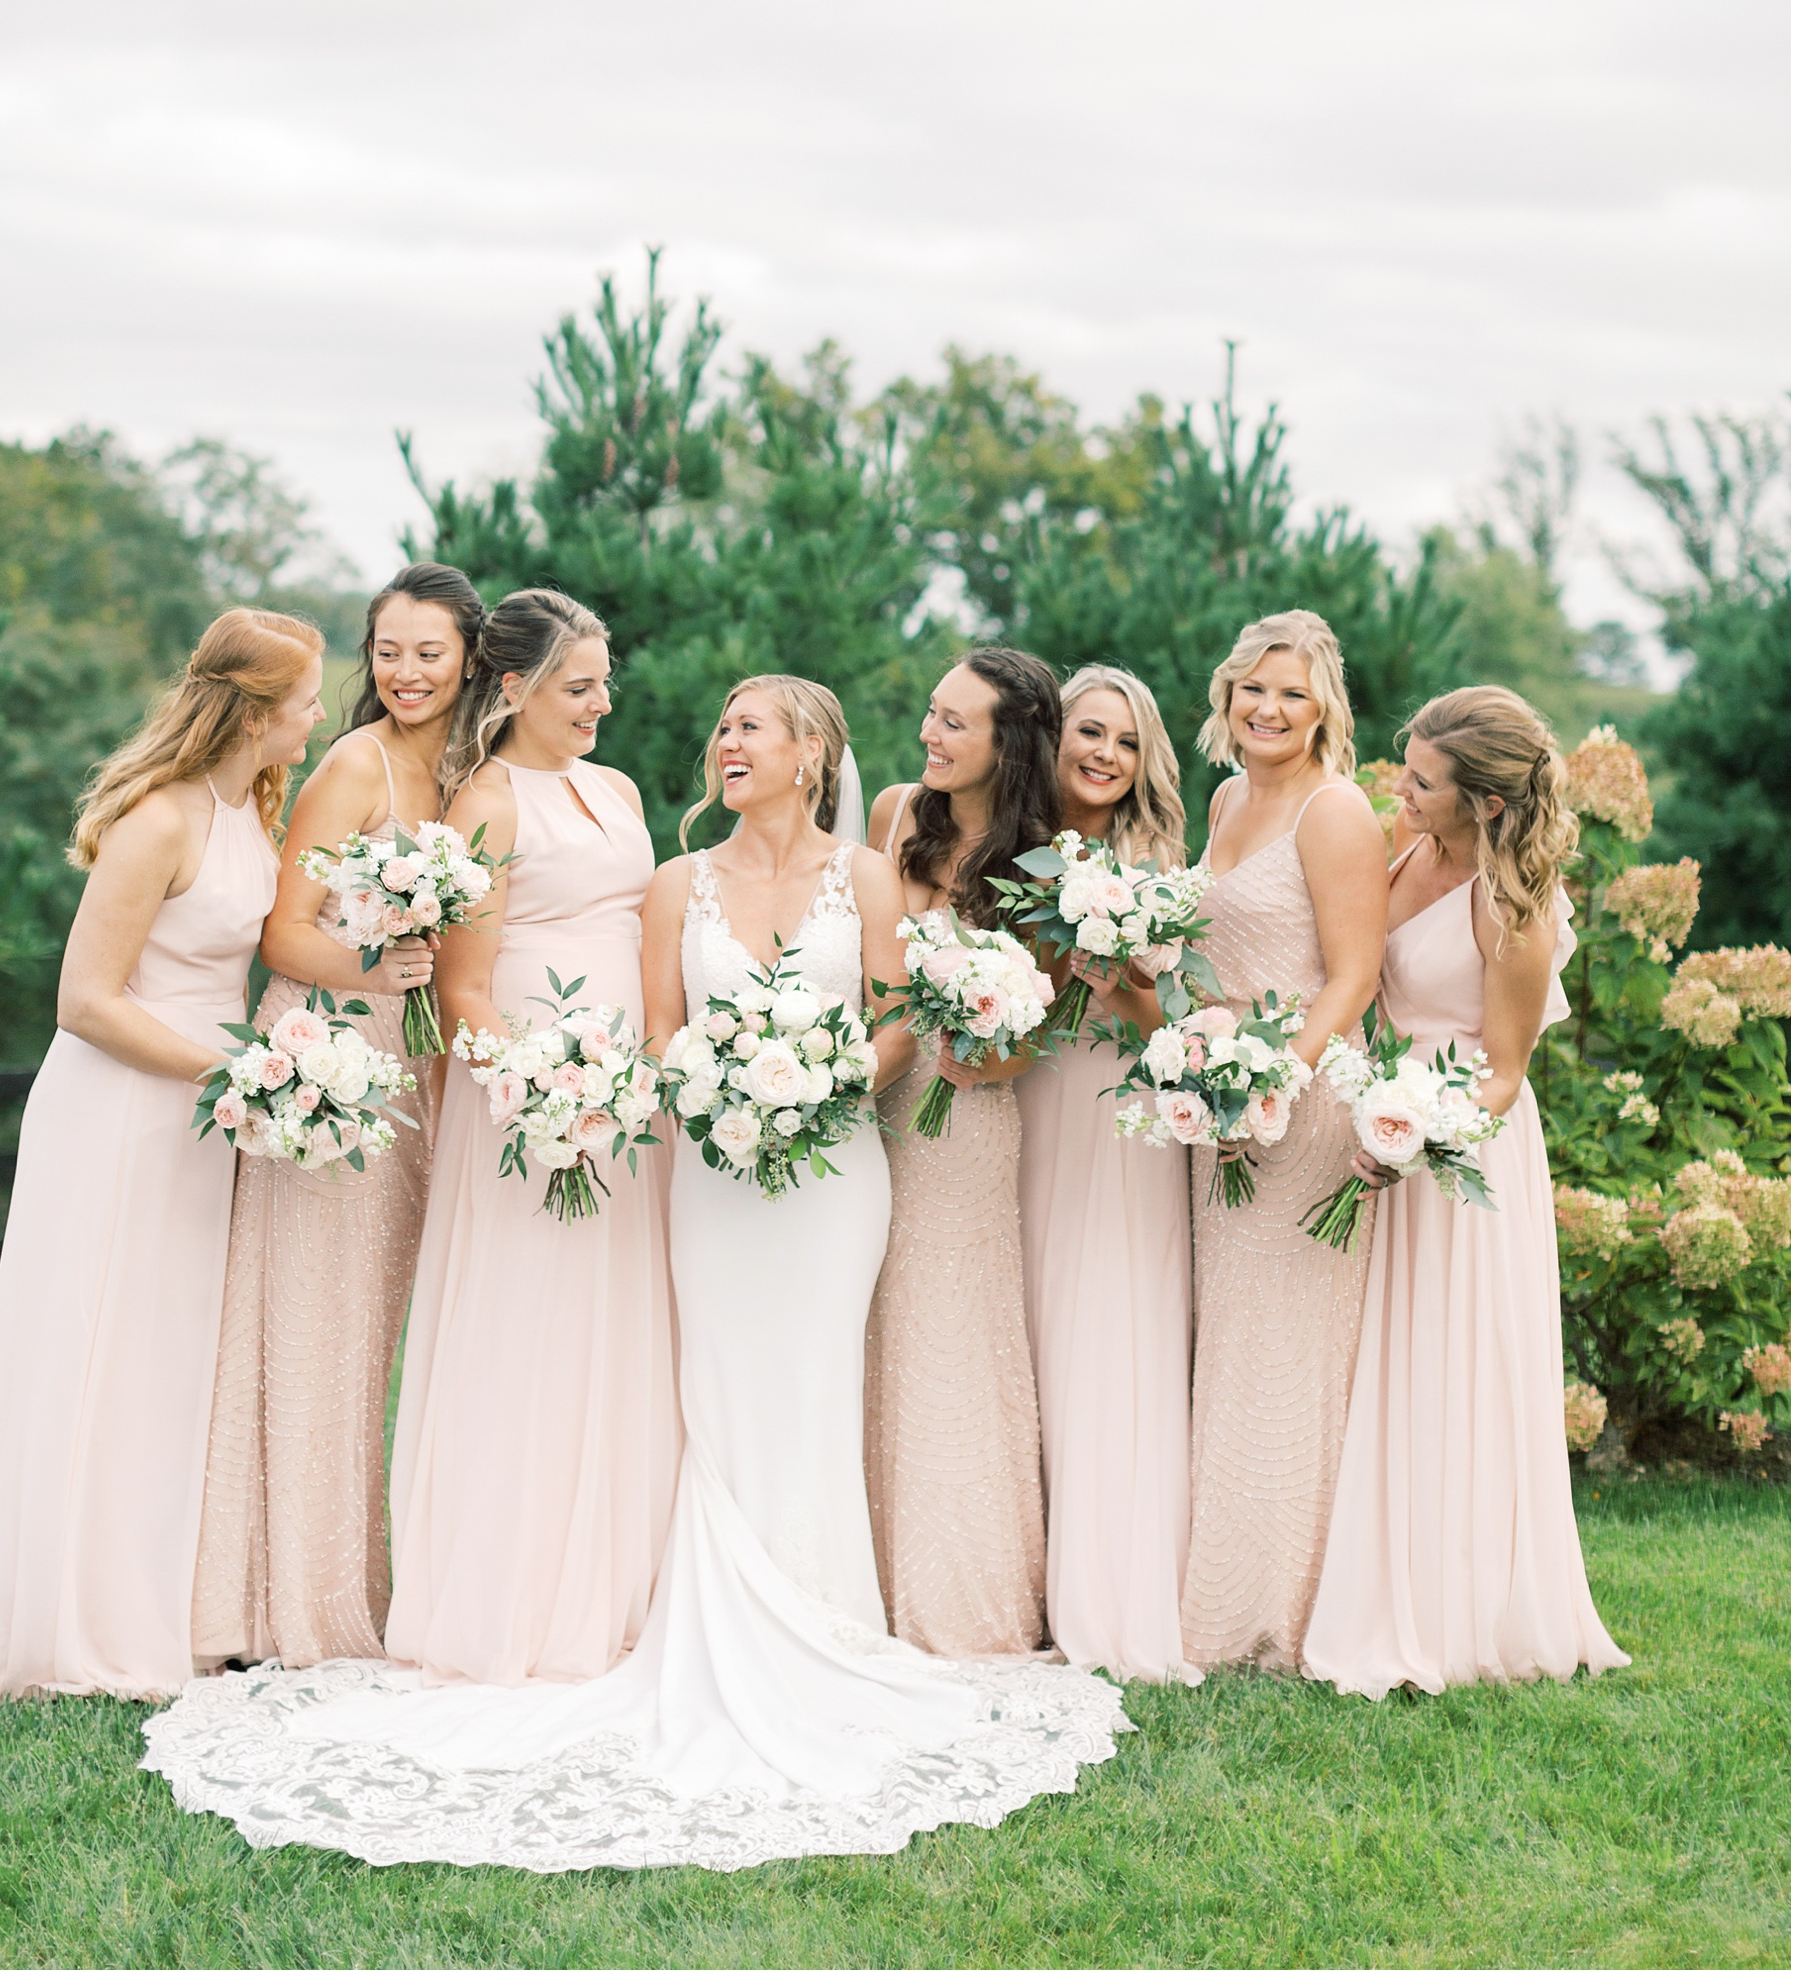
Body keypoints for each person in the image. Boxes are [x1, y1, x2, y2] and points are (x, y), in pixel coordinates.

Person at [140, 677, 1128, 1869]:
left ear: (810, 754)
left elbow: (895, 1014)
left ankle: (824, 1626)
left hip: (832, 1175)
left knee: (811, 1391)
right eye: (716, 727)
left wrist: (823, 1082)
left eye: (747, 728)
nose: (723, 743)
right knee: (711, 1390)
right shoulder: (674, 883)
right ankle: (698, 1628)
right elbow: (661, 1030)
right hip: (710, 1173)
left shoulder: (866, 877)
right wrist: (720, 1086)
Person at [0, 610, 325, 1704]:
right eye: (304, 699)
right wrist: (233, 1072)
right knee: (90, 1346)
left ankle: (143, 1606)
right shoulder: (159, 819)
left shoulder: (253, 806)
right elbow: (85, 1001)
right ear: (251, 709)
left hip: (198, 1108)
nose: (318, 715)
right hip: (120, 1107)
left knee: (164, 1353)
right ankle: (53, 1625)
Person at [1302, 686, 1631, 1697]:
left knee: (1453, 1359)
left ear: (1484, 801)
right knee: (1388, 1358)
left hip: (1463, 1147)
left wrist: (1417, 1133)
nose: (1397, 785)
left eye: (1420, 778)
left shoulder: (1513, 904)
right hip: (1388, 1117)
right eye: (1403, 765)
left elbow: (1502, 1065)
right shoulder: (1405, 853)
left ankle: (1460, 1604)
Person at [192, 565, 486, 1670]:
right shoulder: (353, 765)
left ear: (467, 658)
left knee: (375, 1337)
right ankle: (282, 1606)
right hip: (331, 1060)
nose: (404, 673)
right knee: (316, 1330)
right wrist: (382, 958)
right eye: (388, 651)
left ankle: (362, 1580)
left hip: (414, 1074)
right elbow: (283, 932)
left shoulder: (461, 771)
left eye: (428, 653)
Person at [386, 589, 674, 1682]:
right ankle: (513, 1595)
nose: (602, 700)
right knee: (528, 1326)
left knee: (616, 1323)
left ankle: (618, 1584)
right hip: (529, 1109)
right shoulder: (487, 804)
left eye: (604, 679)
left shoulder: (616, 785)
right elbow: (463, 990)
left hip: (623, 1101)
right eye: (578, 684)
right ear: (512, 689)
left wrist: (633, 1074)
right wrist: (540, 1097)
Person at [1174, 610, 1389, 1675]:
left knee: (1282, 1349)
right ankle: (1220, 1592)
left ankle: (1276, 1613)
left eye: (1291, 694)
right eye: (1252, 688)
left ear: (1322, 710)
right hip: (1218, 1099)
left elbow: (1352, 975)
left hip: (1298, 1106)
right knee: (1231, 1340)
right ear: (1226, 692)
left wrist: (1272, 1077)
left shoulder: (1333, 807)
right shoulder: (1222, 798)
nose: (1267, 708)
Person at [863, 647, 1060, 1655]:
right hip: (870, 1098)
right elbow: (862, 963)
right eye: (930, 712)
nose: (930, 734)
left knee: (948, 1325)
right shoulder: (897, 815)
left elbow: (1033, 1038)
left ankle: (958, 1593)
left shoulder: (1044, 857)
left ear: (1006, 742)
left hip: (966, 1114)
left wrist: (978, 1034)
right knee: (869, 1320)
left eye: (954, 722)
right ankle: (865, 1572)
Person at [1016, 664, 1199, 1682]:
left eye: (1125, 741)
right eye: (1088, 730)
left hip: (1119, 1112)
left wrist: (1119, 976)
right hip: (1023, 1096)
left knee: (1108, 1330)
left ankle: (1109, 1587)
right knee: (1029, 1326)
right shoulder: (1010, 845)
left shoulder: (1158, 863)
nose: (1103, 753)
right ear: (1053, 737)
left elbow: (1165, 1029)